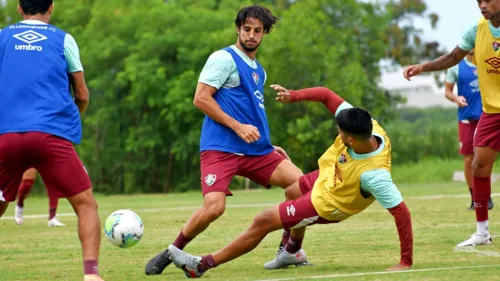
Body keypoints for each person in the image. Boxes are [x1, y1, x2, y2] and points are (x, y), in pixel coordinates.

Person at [166, 86, 414, 278]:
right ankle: (292, 252)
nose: (337, 133)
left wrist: (405, 262)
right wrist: (293, 95)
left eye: (339, 133)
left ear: (349, 140)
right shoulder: (369, 127)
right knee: (292, 189)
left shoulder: (374, 175)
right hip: (327, 177)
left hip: (328, 203)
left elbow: (401, 213)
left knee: (264, 220)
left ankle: (201, 265)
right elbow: (326, 95)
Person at [144, 5, 304, 275]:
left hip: (256, 150)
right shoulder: (223, 58)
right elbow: (201, 98)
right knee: (214, 208)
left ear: (264, 33)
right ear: (238, 29)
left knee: (301, 186)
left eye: (257, 31)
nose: (251, 35)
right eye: (247, 29)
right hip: (221, 147)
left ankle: (289, 251)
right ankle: (173, 251)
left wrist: (267, 142)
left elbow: (250, 110)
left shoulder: (259, 71)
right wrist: (237, 127)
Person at [0, 1, 103, 280]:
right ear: (51, 7)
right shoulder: (63, 39)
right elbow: (81, 95)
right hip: (50, 134)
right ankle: (91, 274)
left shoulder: (2, 38)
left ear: (20, 9)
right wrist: (69, 120)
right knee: (85, 205)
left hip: (7, 135)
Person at [404, 0, 500, 247]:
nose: (483, 5)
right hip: (492, 112)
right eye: (479, 1)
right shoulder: (476, 30)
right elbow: (452, 56)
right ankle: (481, 232)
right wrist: (423, 67)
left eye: (488, 0)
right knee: (478, 166)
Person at [444, 49, 494, 211]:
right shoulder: (456, 67)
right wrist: (456, 98)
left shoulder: (489, 62)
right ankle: (474, 197)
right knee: (468, 158)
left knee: (486, 157)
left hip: (487, 117)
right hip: (466, 119)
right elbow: (448, 92)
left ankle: (486, 195)